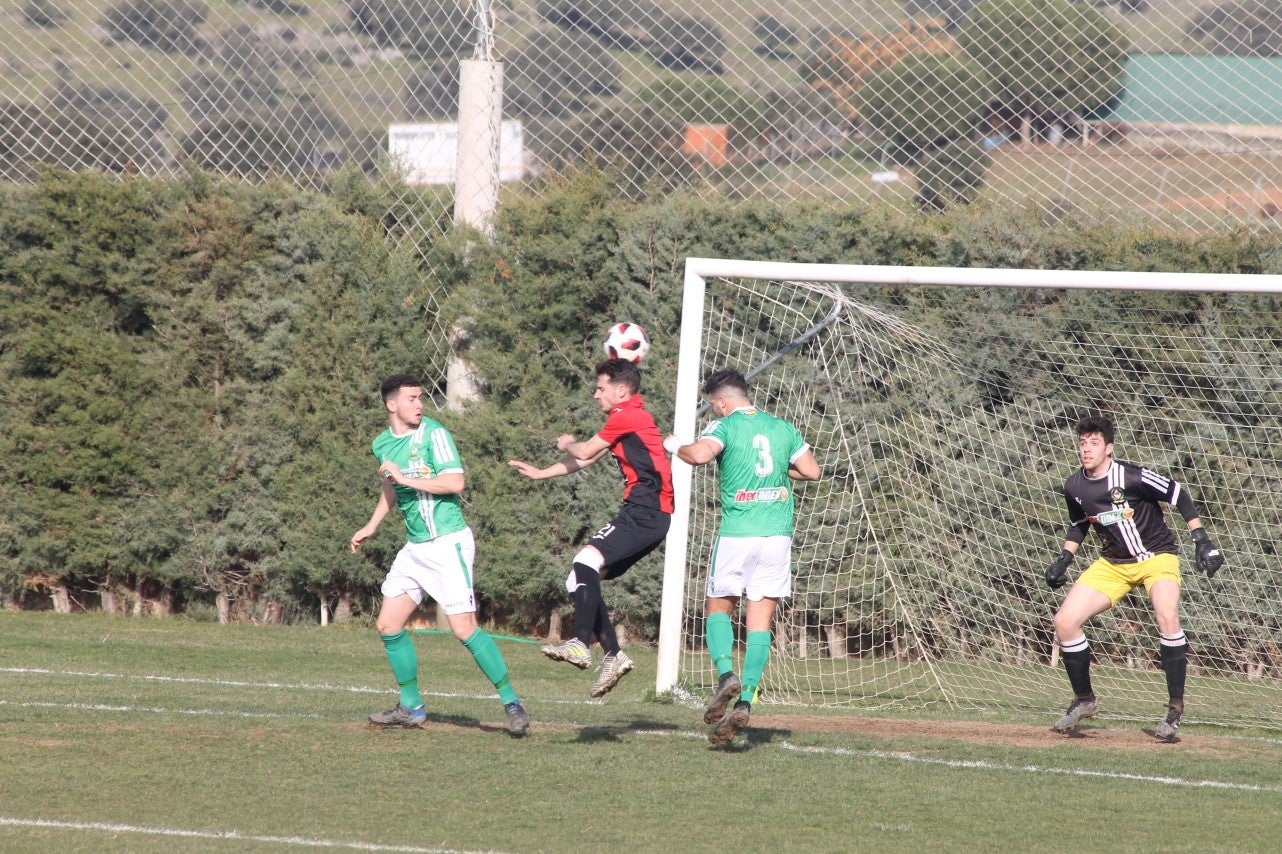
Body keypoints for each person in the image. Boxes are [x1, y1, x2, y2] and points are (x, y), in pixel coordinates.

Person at [351, 374, 530, 737]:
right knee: (388, 625)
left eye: (421, 398)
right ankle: (411, 707)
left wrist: (405, 480)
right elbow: (391, 485)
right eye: (412, 399)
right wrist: (372, 525)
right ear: (392, 404)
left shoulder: (434, 434)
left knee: (464, 629)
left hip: (449, 544)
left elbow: (454, 483)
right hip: (415, 548)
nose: (420, 404)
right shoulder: (382, 443)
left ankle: (513, 703)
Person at [665, 368, 820, 746]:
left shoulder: (725, 427)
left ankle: (725, 676)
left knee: (717, 609)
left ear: (721, 401)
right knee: (760, 624)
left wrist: (674, 446)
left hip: (738, 534)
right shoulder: (782, 427)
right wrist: (776, 474)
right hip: (778, 536)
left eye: (714, 406)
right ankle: (746, 700)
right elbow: (812, 471)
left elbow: (700, 456)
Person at [1044, 414, 1224, 742]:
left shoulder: (1131, 476)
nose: (1086, 449)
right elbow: (1080, 522)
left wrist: (1200, 537)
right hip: (1113, 564)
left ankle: (1174, 711)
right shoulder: (1074, 485)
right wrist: (1064, 558)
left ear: (1109, 448)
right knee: (1064, 621)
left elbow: (1178, 493)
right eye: (1082, 443)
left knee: (1167, 617)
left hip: (1157, 557)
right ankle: (1084, 700)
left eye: (1094, 443)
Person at [508, 358, 674, 698]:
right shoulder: (625, 418)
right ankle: (613, 654)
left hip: (645, 511)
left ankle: (582, 644)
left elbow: (580, 449)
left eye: (601, 388)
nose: (596, 394)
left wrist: (567, 441)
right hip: (649, 514)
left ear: (621, 390)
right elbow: (585, 459)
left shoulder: (628, 415)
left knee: (584, 560)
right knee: (580, 576)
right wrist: (542, 472)